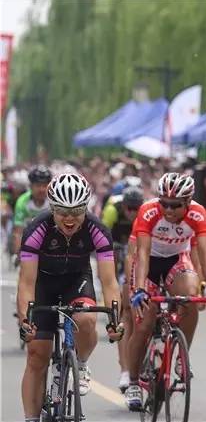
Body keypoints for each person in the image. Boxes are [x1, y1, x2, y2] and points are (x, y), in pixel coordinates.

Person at [16, 173, 123, 422]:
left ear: (86, 208)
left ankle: (80, 363)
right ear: (52, 208)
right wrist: (25, 320)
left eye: (76, 211)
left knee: (86, 319)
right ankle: (31, 418)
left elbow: (109, 281)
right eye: (63, 211)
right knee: (37, 354)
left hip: (77, 281)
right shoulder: (36, 229)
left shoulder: (97, 229)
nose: (70, 219)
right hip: (43, 284)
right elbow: (26, 282)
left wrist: (115, 319)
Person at [124, 173, 206, 410]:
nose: (168, 210)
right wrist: (139, 288)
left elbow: (205, 254)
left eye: (175, 205)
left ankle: (182, 356)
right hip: (149, 261)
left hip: (176, 259)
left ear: (188, 202)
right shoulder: (149, 211)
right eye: (165, 203)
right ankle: (133, 382)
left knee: (190, 297)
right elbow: (141, 254)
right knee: (144, 325)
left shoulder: (198, 213)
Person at [101, 186, 144, 392]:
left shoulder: (145, 214)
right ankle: (125, 369)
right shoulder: (112, 210)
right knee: (125, 311)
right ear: (123, 206)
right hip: (118, 247)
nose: (132, 212)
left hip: (138, 251)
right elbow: (102, 237)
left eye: (136, 208)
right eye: (129, 208)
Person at [12, 166, 52, 266]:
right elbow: (18, 231)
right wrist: (17, 253)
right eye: (38, 185)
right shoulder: (22, 202)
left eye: (45, 185)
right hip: (28, 242)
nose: (42, 189)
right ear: (30, 186)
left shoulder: (53, 201)